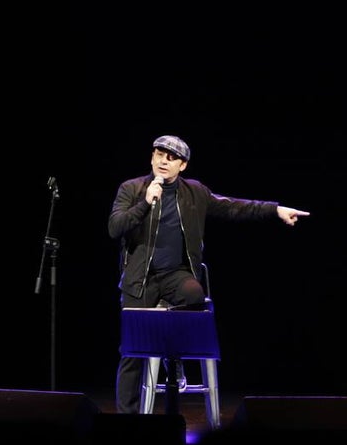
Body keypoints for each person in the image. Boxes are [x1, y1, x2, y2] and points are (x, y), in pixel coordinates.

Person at [108, 134, 310, 414]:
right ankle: (126, 422)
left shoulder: (194, 192)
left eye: (171, 157)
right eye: (159, 154)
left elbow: (233, 207)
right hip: (139, 280)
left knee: (194, 293)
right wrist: (145, 203)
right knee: (132, 353)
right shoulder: (132, 188)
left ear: (183, 165)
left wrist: (274, 210)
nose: (163, 160)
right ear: (151, 157)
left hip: (176, 275)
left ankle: (173, 359)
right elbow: (114, 227)